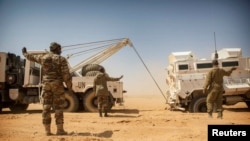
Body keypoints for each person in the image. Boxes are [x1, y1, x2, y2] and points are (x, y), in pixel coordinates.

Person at [22, 42, 74, 135]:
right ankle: (60, 130)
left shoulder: (44, 57)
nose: (61, 50)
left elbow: (31, 57)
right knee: (58, 108)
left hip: (46, 85)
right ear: (57, 49)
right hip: (57, 85)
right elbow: (66, 75)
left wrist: (25, 53)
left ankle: (47, 131)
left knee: (46, 107)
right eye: (60, 49)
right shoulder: (61, 59)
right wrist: (69, 88)